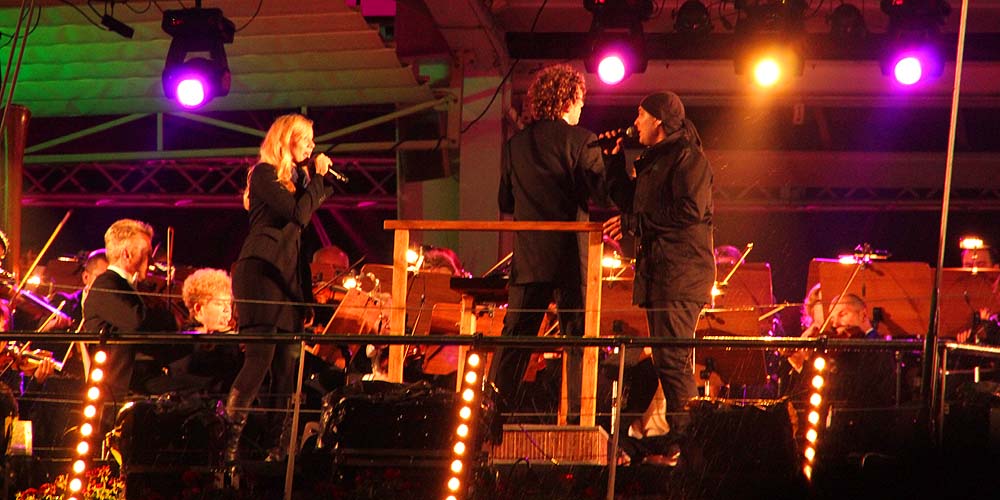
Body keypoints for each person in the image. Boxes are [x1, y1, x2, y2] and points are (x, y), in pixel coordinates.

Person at [603, 91, 715, 465]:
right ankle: (684, 439)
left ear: (658, 120)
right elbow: (633, 204)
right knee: (667, 359)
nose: (635, 122)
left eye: (641, 115)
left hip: (680, 274)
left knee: (673, 360)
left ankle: (690, 443)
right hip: (661, 273)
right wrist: (614, 163)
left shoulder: (688, 158)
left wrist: (636, 222)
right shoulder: (657, 160)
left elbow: (689, 210)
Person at [493, 63, 609, 422]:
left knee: (515, 339)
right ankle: (577, 421)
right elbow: (602, 194)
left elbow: (505, 202)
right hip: (571, 257)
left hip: (529, 257)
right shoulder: (582, 140)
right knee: (578, 340)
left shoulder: (515, 145)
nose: (582, 109)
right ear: (568, 99)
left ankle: (493, 415)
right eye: (581, 102)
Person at [226, 113, 335, 464]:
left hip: (287, 281)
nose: (312, 146)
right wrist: (318, 179)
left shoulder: (299, 183)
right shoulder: (263, 174)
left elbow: (298, 241)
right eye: (306, 139)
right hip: (261, 274)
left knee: (287, 370)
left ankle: (275, 451)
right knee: (260, 359)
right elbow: (297, 214)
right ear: (287, 138)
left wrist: (306, 300)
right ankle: (227, 443)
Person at [82, 219, 178, 403]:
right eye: (146, 253)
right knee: (201, 389)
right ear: (126, 254)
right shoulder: (105, 284)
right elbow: (137, 320)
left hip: (142, 378)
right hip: (121, 387)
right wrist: (168, 318)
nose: (151, 260)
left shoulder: (127, 287)